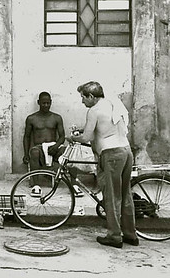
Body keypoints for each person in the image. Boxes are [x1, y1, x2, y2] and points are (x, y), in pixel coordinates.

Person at [69, 81, 138, 248]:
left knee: (112, 196)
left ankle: (114, 236)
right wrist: (83, 130)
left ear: (91, 96)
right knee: (125, 194)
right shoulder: (112, 104)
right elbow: (103, 127)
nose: (82, 101)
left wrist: (72, 138)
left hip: (111, 154)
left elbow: (87, 138)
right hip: (126, 150)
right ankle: (130, 234)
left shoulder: (94, 111)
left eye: (83, 97)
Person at [22, 92, 70, 196]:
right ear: (38, 102)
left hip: (54, 146)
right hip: (39, 148)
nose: (46, 105)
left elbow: (62, 136)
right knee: (34, 152)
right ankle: (36, 186)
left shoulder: (57, 117)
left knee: (69, 152)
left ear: (51, 103)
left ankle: (73, 184)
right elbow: (27, 136)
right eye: (43, 103)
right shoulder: (32, 118)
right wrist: (26, 154)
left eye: (48, 103)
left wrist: (56, 146)